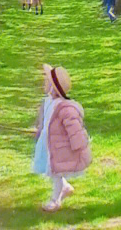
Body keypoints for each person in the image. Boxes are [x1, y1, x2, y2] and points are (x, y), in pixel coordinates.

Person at [32, 64, 92, 212]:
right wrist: (39, 129)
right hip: (48, 143)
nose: (44, 84)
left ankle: (55, 200)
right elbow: (44, 119)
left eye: (47, 82)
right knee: (51, 168)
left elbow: (74, 128)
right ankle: (64, 186)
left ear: (53, 88)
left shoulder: (65, 108)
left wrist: (79, 145)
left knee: (56, 171)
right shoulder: (47, 102)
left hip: (59, 146)